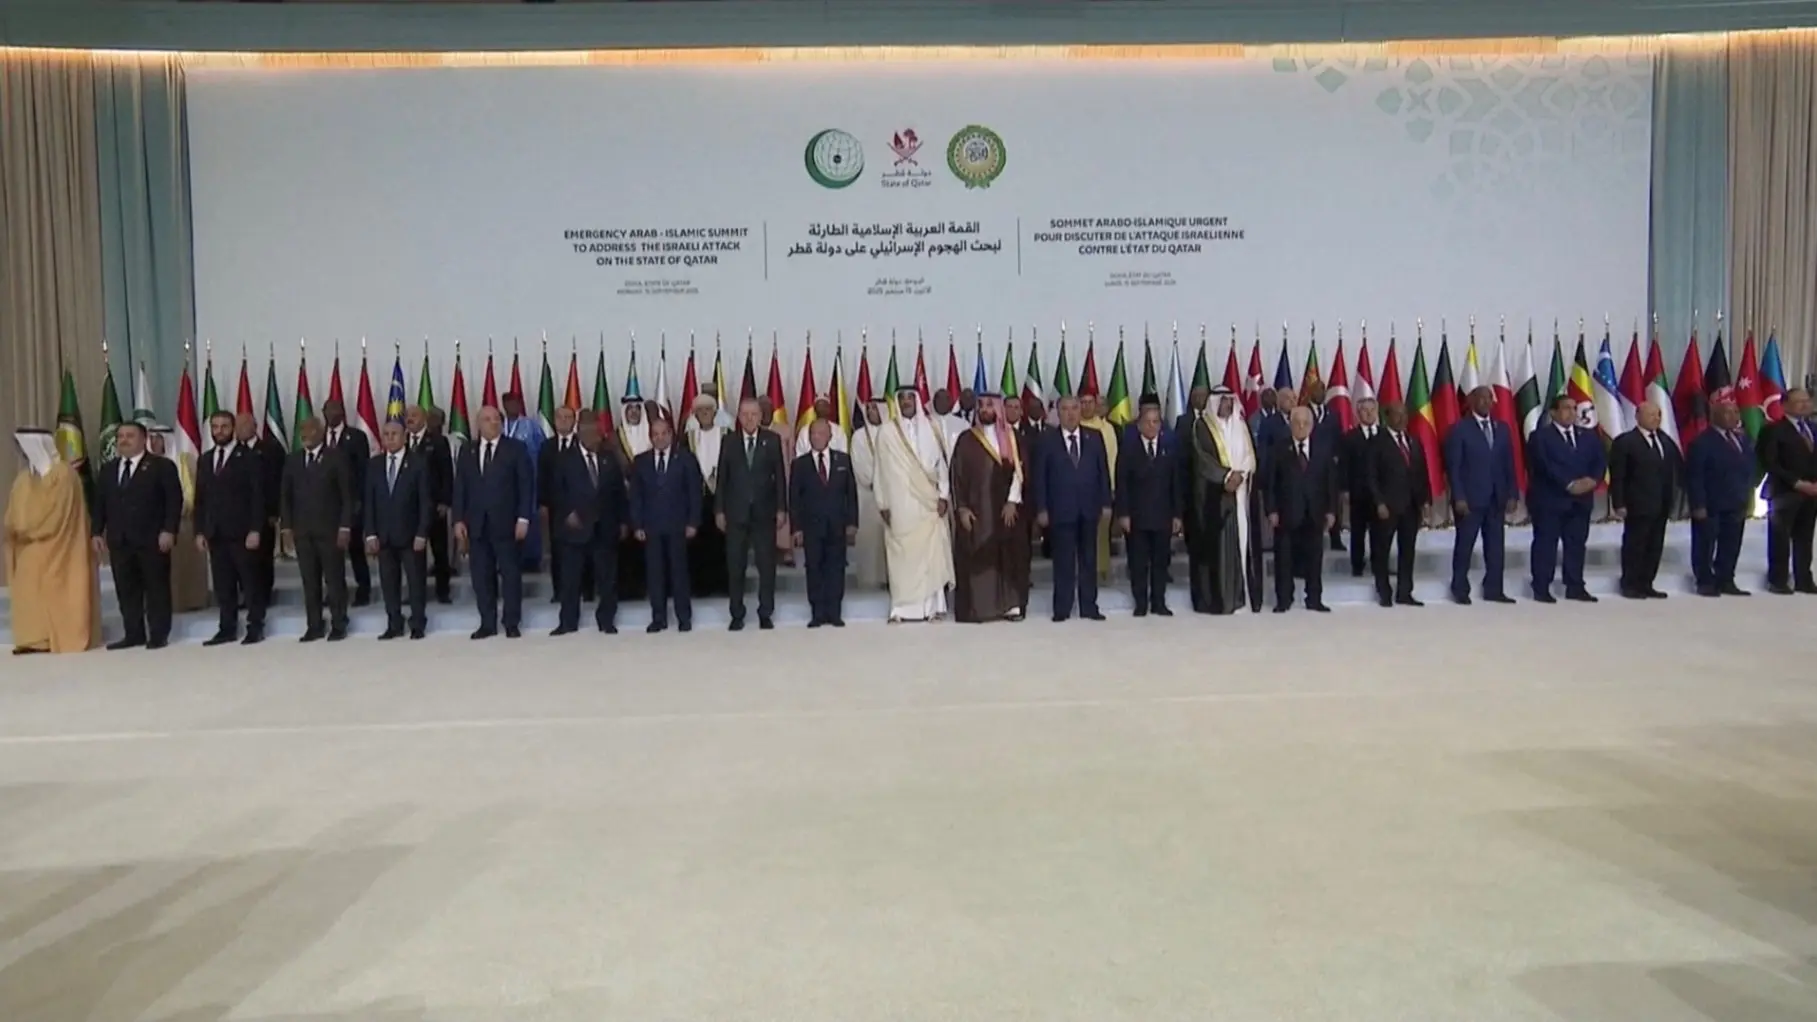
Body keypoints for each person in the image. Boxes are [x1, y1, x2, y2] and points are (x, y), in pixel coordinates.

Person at [6, 428, 98, 653]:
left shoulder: (64, 475)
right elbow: (12, 515)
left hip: (60, 548)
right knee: (28, 590)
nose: (23, 452)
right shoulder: (23, 479)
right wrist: (14, 528)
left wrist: (27, 529)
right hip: (28, 549)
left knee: (55, 589)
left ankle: (56, 637)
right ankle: (33, 640)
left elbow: (55, 515)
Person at [92, 421, 181, 650]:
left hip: (152, 539)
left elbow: (174, 501)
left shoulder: (161, 466)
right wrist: (96, 532)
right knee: (126, 590)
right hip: (120, 540)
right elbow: (100, 503)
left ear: (144, 439)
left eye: (130, 436)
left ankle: (158, 634)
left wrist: (169, 530)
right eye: (121, 436)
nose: (124, 440)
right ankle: (133, 634)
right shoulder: (108, 469)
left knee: (156, 589)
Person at [950, 391, 1032, 623]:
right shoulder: (966, 439)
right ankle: (980, 608)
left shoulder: (1012, 437)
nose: (984, 409)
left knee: (1010, 556)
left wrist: (1012, 501)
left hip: (1006, 510)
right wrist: (962, 508)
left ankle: (1011, 606)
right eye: (981, 405)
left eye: (989, 405)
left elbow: (1020, 472)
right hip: (977, 512)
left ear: (998, 409)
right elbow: (956, 476)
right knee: (978, 558)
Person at [874, 389, 955, 623]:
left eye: (910, 397)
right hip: (899, 503)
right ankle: (901, 610)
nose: (906, 402)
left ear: (917, 401)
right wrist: (882, 503)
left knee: (931, 556)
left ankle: (933, 608)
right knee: (902, 557)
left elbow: (942, 466)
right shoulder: (886, 432)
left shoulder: (932, 428)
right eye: (902, 398)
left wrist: (944, 496)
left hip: (928, 503)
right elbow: (879, 470)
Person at [453, 406, 534, 639]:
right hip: (477, 524)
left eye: (497, 419)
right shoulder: (467, 450)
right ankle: (487, 623)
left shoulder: (515, 448)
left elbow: (525, 485)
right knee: (481, 576)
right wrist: (458, 519)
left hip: (507, 523)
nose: (494, 423)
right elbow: (460, 487)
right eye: (488, 419)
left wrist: (523, 518)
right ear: (478, 424)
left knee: (510, 575)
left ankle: (511, 622)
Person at [1185, 387, 1264, 614]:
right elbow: (1202, 460)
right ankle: (1224, 598)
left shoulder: (1241, 425)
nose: (1227, 405)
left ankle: (1245, 596)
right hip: (1215, 499)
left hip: (1242, 494)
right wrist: (1226, 476)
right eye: (1222, 401)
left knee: (1244, 543)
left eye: (1230, 401)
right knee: (1222, 549)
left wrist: (1241, 475)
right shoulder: (1202, 427)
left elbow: (1250, 457)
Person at [1033, 394, 1112, 622]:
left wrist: (1106, 503)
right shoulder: (1047, 440)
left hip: (1089, 509)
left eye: (1074, 408)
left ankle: (1089, 606)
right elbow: (1040, 477)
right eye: (1065, 409)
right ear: (1058, 413)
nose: (1071, 413)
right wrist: (1042, 508)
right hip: (1060, 510)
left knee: (1089, 560)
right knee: (1063, 561)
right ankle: (1062, 608)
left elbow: (1103, 473)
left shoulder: (1094, 437)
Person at [551, 413, 627, 635]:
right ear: (581, 432)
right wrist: (567, 513)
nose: (596, 436)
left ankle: (606, 620)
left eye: (597, 431)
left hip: (605, 528)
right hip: (575, 528)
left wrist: (623, 521)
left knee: (607, 579)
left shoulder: (608, 457)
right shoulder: (564, 459)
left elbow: (619, 493)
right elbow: (555, 491)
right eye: (591, 432)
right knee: (571, 579)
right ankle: (568, 622)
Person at [281, 417, 356, 641]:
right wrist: (286, 527)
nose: (305, 434)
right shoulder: (293, 460)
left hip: (330, 530)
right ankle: (314, 625)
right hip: (303, 531)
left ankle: (339, 623)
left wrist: (345, 526)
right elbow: (285, 496)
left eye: (310, 430)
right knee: (309, 581)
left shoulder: (336, 457)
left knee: (334, 580)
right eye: (302, 430)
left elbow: (347, 495)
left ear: (321, 432)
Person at [194, 410, 266, 645]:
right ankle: (227, 628)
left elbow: (258, 496)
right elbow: (200, 499)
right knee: (223, 585)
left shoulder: (249, 457)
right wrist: (199, 531)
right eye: (215, 427)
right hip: (216, 533)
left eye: (224, 426)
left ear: (233, 428)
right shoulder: (205, 460)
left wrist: (256, 529)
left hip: (243, 532)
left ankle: (255, 627)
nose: (219, 431)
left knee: (250, 583)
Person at [1527, 393, 1606, 603]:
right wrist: (1569, 484)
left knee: (1576, 544)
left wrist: (1592, 481)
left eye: (1574, 408)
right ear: (1553, 413)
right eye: (1566, 408)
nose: (1572, 412)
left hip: (1581, 501)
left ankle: (1575, 586)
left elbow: (1600, 461)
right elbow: (1543, 465)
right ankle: (1541, 587)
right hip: (1550, 500)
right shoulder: (1540, 437)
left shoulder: (1588, 436)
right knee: (1546, 545)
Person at [717, 397, 787, 629]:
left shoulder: (772, 440)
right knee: (735, 566)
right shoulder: (729, 441)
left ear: (760, 417)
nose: (749, 419)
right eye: (745, 414)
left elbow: (780, 477)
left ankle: (765, 613)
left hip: (764, 513)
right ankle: (737, 614)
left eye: (753, 414)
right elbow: (722, 479)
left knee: (766, 566)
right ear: (738, 417)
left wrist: (781, 508)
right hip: (735, 513)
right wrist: (719, 510)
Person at [1444, 386, 1519, 605]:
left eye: (1489, 398)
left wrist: (1512, 493)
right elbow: (1454, 467)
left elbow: (1509, 464)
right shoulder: (1459, 429)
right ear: (1471, 401)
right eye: (1482, 398)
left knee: (1495, 547)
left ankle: (1494, 589)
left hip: (1497, 498)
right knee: (1465, 546)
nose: (1487, 402)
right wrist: (1459, 496)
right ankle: (1460, 589)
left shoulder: (1502, 428)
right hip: (1470, 499)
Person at [630, 417, 702, 632]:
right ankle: (658, 617)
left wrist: (693, 522)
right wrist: (637, 525)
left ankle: (684, 617)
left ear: (671, 434)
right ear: (650, 437)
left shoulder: (686, 458)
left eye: (664, 433)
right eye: (656, 434)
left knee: (679, 573)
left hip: (678, 525)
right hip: (651, 527)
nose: (660, 438)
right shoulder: (640, 461)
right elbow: (636, 496)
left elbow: (694, 493)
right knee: (655, 574)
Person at [362, 421, 432, 640]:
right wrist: (370, 533)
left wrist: (422, 532)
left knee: (415, 582)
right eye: (386, 434)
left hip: (411, 536)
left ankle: (417, 623)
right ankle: (394, 623)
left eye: (394, 434)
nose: (390, 438)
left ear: (404, 437)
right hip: (384, 535)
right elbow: (369, 501)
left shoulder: (418, 463)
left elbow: (426, 501)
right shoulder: (374, 465)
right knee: (388, 582)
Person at [1264, 406, 1337, 612]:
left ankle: (1314, 598)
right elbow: (1270, 483)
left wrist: (1331, 511)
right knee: (1284, 559)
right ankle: (1283, 599)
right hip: (1286, 513)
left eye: (1305, 423)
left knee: (1314, 559)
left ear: (1312, 426)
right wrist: (1271, 510)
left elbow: (1331, 483)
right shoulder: (1279, 449)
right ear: (1290, 425)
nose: (1301, 427)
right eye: (1297, 423)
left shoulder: (1323, 449)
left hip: (1314, 512)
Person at [1608, 402, 1682, 599]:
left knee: (1654, 545)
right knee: (1635, 545)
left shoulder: (1665, 441)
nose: (1656, 419)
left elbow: (1674, 469)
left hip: (1661, 504)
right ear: (1638, 416)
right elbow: (1618, 476)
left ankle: (1646, 583)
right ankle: (1630, 584)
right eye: (1651, 415)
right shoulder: (1625, 442)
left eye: (1658, 415)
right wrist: (1619, 503)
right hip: (1637, 504)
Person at [1115, 402, 1182, 617]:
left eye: (1156, 422)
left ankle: (1159, 602)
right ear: (1139, 424)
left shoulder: (1169, 448)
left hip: (1163, 515)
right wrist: (1123, 514)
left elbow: (1176, 483)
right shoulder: (1128, 448)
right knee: (1138, 562)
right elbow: (1122, 483)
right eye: (1148, 422)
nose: (1152, 426)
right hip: (1137, 517)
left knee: (1161, 562)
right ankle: (1141, 603)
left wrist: (1177, 514)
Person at [1686, 399, 1759, 597]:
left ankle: (1726, 579)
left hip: (1737, 501)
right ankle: (1705, 581)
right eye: (1728, 412)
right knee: (1705, 544)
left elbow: (1749, 467)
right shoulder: (1702, 442)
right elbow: (1694, 476)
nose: (1734, 416)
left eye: (1736, 412)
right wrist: (1698, 504)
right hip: (1711, 504)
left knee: (1731, 543)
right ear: (1715, 416)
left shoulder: (1743, 440)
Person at [791, 418, 859, 627]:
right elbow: (794, 498)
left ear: (830, 436)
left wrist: (852, 523)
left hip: (837, 525)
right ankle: (817, 613)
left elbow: (851, 494)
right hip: (811, 526)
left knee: (836, 568)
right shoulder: (800, 464)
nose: (817, 437)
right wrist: (796, 528)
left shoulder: (843, 460)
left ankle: (834, 612)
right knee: (814, 568)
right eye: (813, 433)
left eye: (821, 433)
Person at [1364, 401, 1430, 607]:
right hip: (1387, 507)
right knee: (1382, 551)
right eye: (1397, 414)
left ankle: (1404, 592)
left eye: (1404, 414)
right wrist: (1379, 502)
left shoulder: (1413, 441)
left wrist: (1425, 501)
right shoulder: (1377, 442)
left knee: (1407, 551)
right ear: (1387, 417)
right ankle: (1384, 592)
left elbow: (1421, 472)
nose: (1402, 419)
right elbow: (1370, 476)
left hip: (1411, 506)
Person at [145, 423, 208, 614]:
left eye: (157, 438)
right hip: (155, 525)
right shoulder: (147, 465)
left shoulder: (185, 461)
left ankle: (191, 600)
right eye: (151, 438)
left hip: (186, 522)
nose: (153, 443)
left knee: (186, 566)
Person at [1759, 388, 1817, 594]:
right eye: (1799, 401)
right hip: (1784, 492)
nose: (1805, 404)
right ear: (1784, 405)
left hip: (1812, 493)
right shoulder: (1774, 430)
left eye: (1807, 400)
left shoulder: (1813, 428)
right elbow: (1770, 462)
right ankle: (1778, 580)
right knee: (1780, 538)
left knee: (1805, 538)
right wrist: (1796, 482)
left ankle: (1804, 579)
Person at [321, 398, 372, 605]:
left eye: (336, 410)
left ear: (343, 412)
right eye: (328, 410)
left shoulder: (356, 436)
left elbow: (364, 471)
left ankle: (363, 590)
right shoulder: (319, 437)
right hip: (326, 506)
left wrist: (359, 500)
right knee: (330, 553)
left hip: (351, 502)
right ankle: (334, 591)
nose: (332, 414)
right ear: (323, 413)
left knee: (356, 549)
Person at [405, 405, 454, 603]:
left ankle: (443, 592)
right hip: (410, 508)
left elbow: (446, 473)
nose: (410, 419)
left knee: (439, 550)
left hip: (434, 505)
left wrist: (445, 501)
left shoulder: (437, 441)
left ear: (424, 418)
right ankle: (416, 593)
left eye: (414, 415)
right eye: (407, 416)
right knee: (413, 555)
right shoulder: (402, 440)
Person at [686, 394, 731, 598]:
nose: (704, 413)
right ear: (695, 414)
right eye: (700, 411)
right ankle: (701, 587)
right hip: (698, 496)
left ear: (715, 412)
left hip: (722, 496)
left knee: (722, 543)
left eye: (708, 410)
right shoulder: (688, 437)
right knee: (699, 544)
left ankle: (723, 585)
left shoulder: (727, 434)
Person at [239, 412, 286, 607]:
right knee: (243, 560)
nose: (240, 429)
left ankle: (265, 595)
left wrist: (275, 511)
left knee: (263, 557)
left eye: (244, 425)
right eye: (237, 425)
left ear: (255, 426)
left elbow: (279, 482)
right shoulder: (235, 452)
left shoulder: (270, 449)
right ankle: (248, 595)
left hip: (266, 513)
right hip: (240, 516)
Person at [539, 406, 582, 603]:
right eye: (560, 417)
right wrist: (543, 504)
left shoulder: (582, 444)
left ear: (574, 421)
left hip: (580, 508)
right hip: (555, 508)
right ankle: (559, 592)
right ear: (554, 421)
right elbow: (542, 477)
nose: (564, 420)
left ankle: (583, 590)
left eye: (568, 417)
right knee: (557, 550)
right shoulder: (546, 446)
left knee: (580, 550)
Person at [1077, 392, 1120, 582]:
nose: (1087, 406)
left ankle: (1101, 569)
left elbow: (1112, 460)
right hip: (1076, 491)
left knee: (1101, 533)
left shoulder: (1107, 429)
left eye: (1090, 402)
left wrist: (1111, 488)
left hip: (1101, 489)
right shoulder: (1073, 426)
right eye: (1083, 402)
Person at [501, 391, 545, 573]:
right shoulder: (499, 426)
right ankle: (509, 559)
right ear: (504, 406)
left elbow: (542, 451)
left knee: (529, 518)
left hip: (529, 480)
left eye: (515, 403)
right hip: (504, 484)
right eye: (509, 403)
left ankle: (532, 559)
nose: (513, 406)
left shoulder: (531, 426)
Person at [849, 396, 890, 589]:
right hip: (868, 495)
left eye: (875, 408)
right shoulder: (859, 436)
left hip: (892, 495)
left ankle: (889, 578)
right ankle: (870, 580)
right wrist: (879, 482)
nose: (871, 411)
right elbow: (860, 465)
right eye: (869, 408)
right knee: (870, 539)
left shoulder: (892, 433)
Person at [1339, 397, 1382, 576]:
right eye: (1365, 410)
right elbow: (1343, 466)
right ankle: (1357, 565)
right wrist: (1344, 489)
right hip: (1358, 493)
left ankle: (1379, 564)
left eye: (1372, 410)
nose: (1369, 413)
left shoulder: (1384, 435)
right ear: (1358, 413)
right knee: (1358, 531)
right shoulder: (1350, 437)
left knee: (1379, 532)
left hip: (1380, 495)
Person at [759, 395, 796, 566]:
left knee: (783, 512)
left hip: (783, 478)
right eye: (762, 410)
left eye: (768, 409)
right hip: (759, 481)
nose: (765, 413)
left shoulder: (785, 430)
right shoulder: (752, 432)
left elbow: (792, 456)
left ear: (773, 411)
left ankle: (785, 550)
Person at [930, 389, 970, 458]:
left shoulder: (964, 424)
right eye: (938, 399)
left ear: (950, 401)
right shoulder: (928, 423)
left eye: (944, 399)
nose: (941, 403)